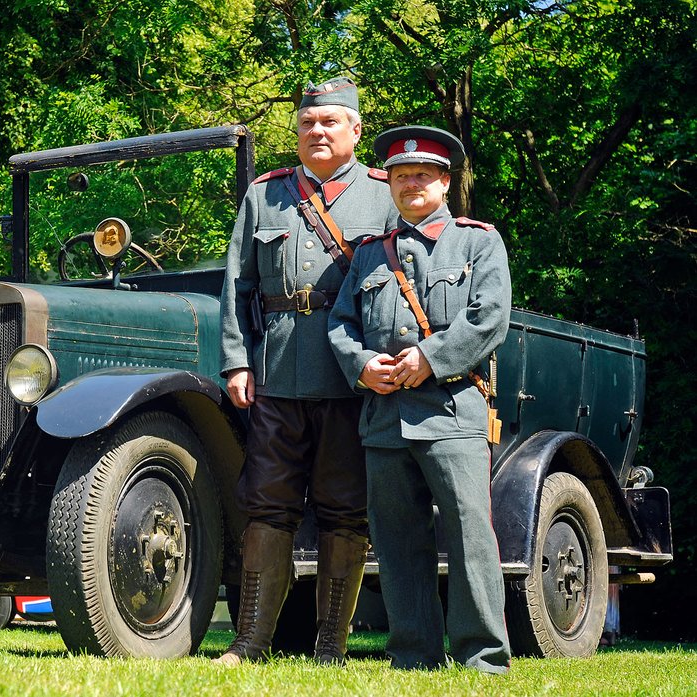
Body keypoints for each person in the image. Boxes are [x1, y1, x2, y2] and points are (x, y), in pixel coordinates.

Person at [216, 76, 398, 666]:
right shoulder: (263, 196)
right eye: (307, 124)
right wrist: (238, 362)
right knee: (267, 506)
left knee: (346, 508)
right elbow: (238, 288)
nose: (316, 132)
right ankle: (248, 643)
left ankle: (331, 646)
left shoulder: (385, 195)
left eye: (329, 123)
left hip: (352, 382)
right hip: (277, 377)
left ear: (355, 130)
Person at [327, 125, 512, 673]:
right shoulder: (368, 256)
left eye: (423, 175)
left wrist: (428, 358)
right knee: (397, 545)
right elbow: (340, 326)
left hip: (453, 414)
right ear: (391, 185)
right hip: (384, 420)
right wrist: (363, 368)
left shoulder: (479, 242)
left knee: (470, 541)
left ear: (445, 183)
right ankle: (413, 656)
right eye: (402, 176)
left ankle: (483, 658)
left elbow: (489, 318)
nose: (412, 184)